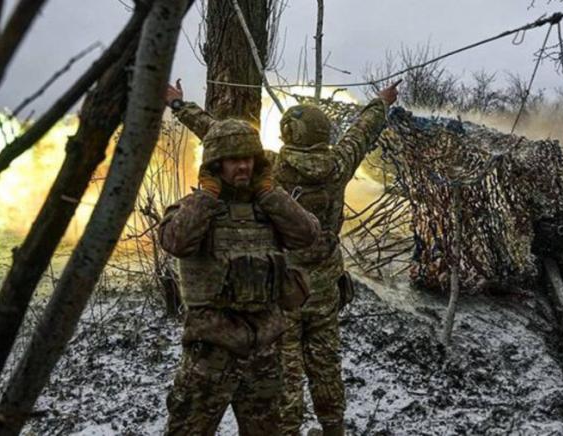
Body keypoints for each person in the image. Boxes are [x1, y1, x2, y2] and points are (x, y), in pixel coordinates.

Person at [164, 80, 399, 436]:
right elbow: (361, 132)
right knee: (326, 366)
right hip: (323, 290)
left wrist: (181, 107)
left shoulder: (273, 167)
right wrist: (381, 103)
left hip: (281, 290)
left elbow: (221, 136)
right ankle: (333, 427)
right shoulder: (338, 163)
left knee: (286, 377)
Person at [158, 114, 319, 435]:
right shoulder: (195, 207)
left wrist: (270, 194)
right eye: (232, 160)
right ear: (216, 165)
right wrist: (206, 197)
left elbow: (306, 234)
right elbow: (176, 240)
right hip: (211, 351)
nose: (242, 166)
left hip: (264, 349)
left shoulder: (269, 207)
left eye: (247, 159)